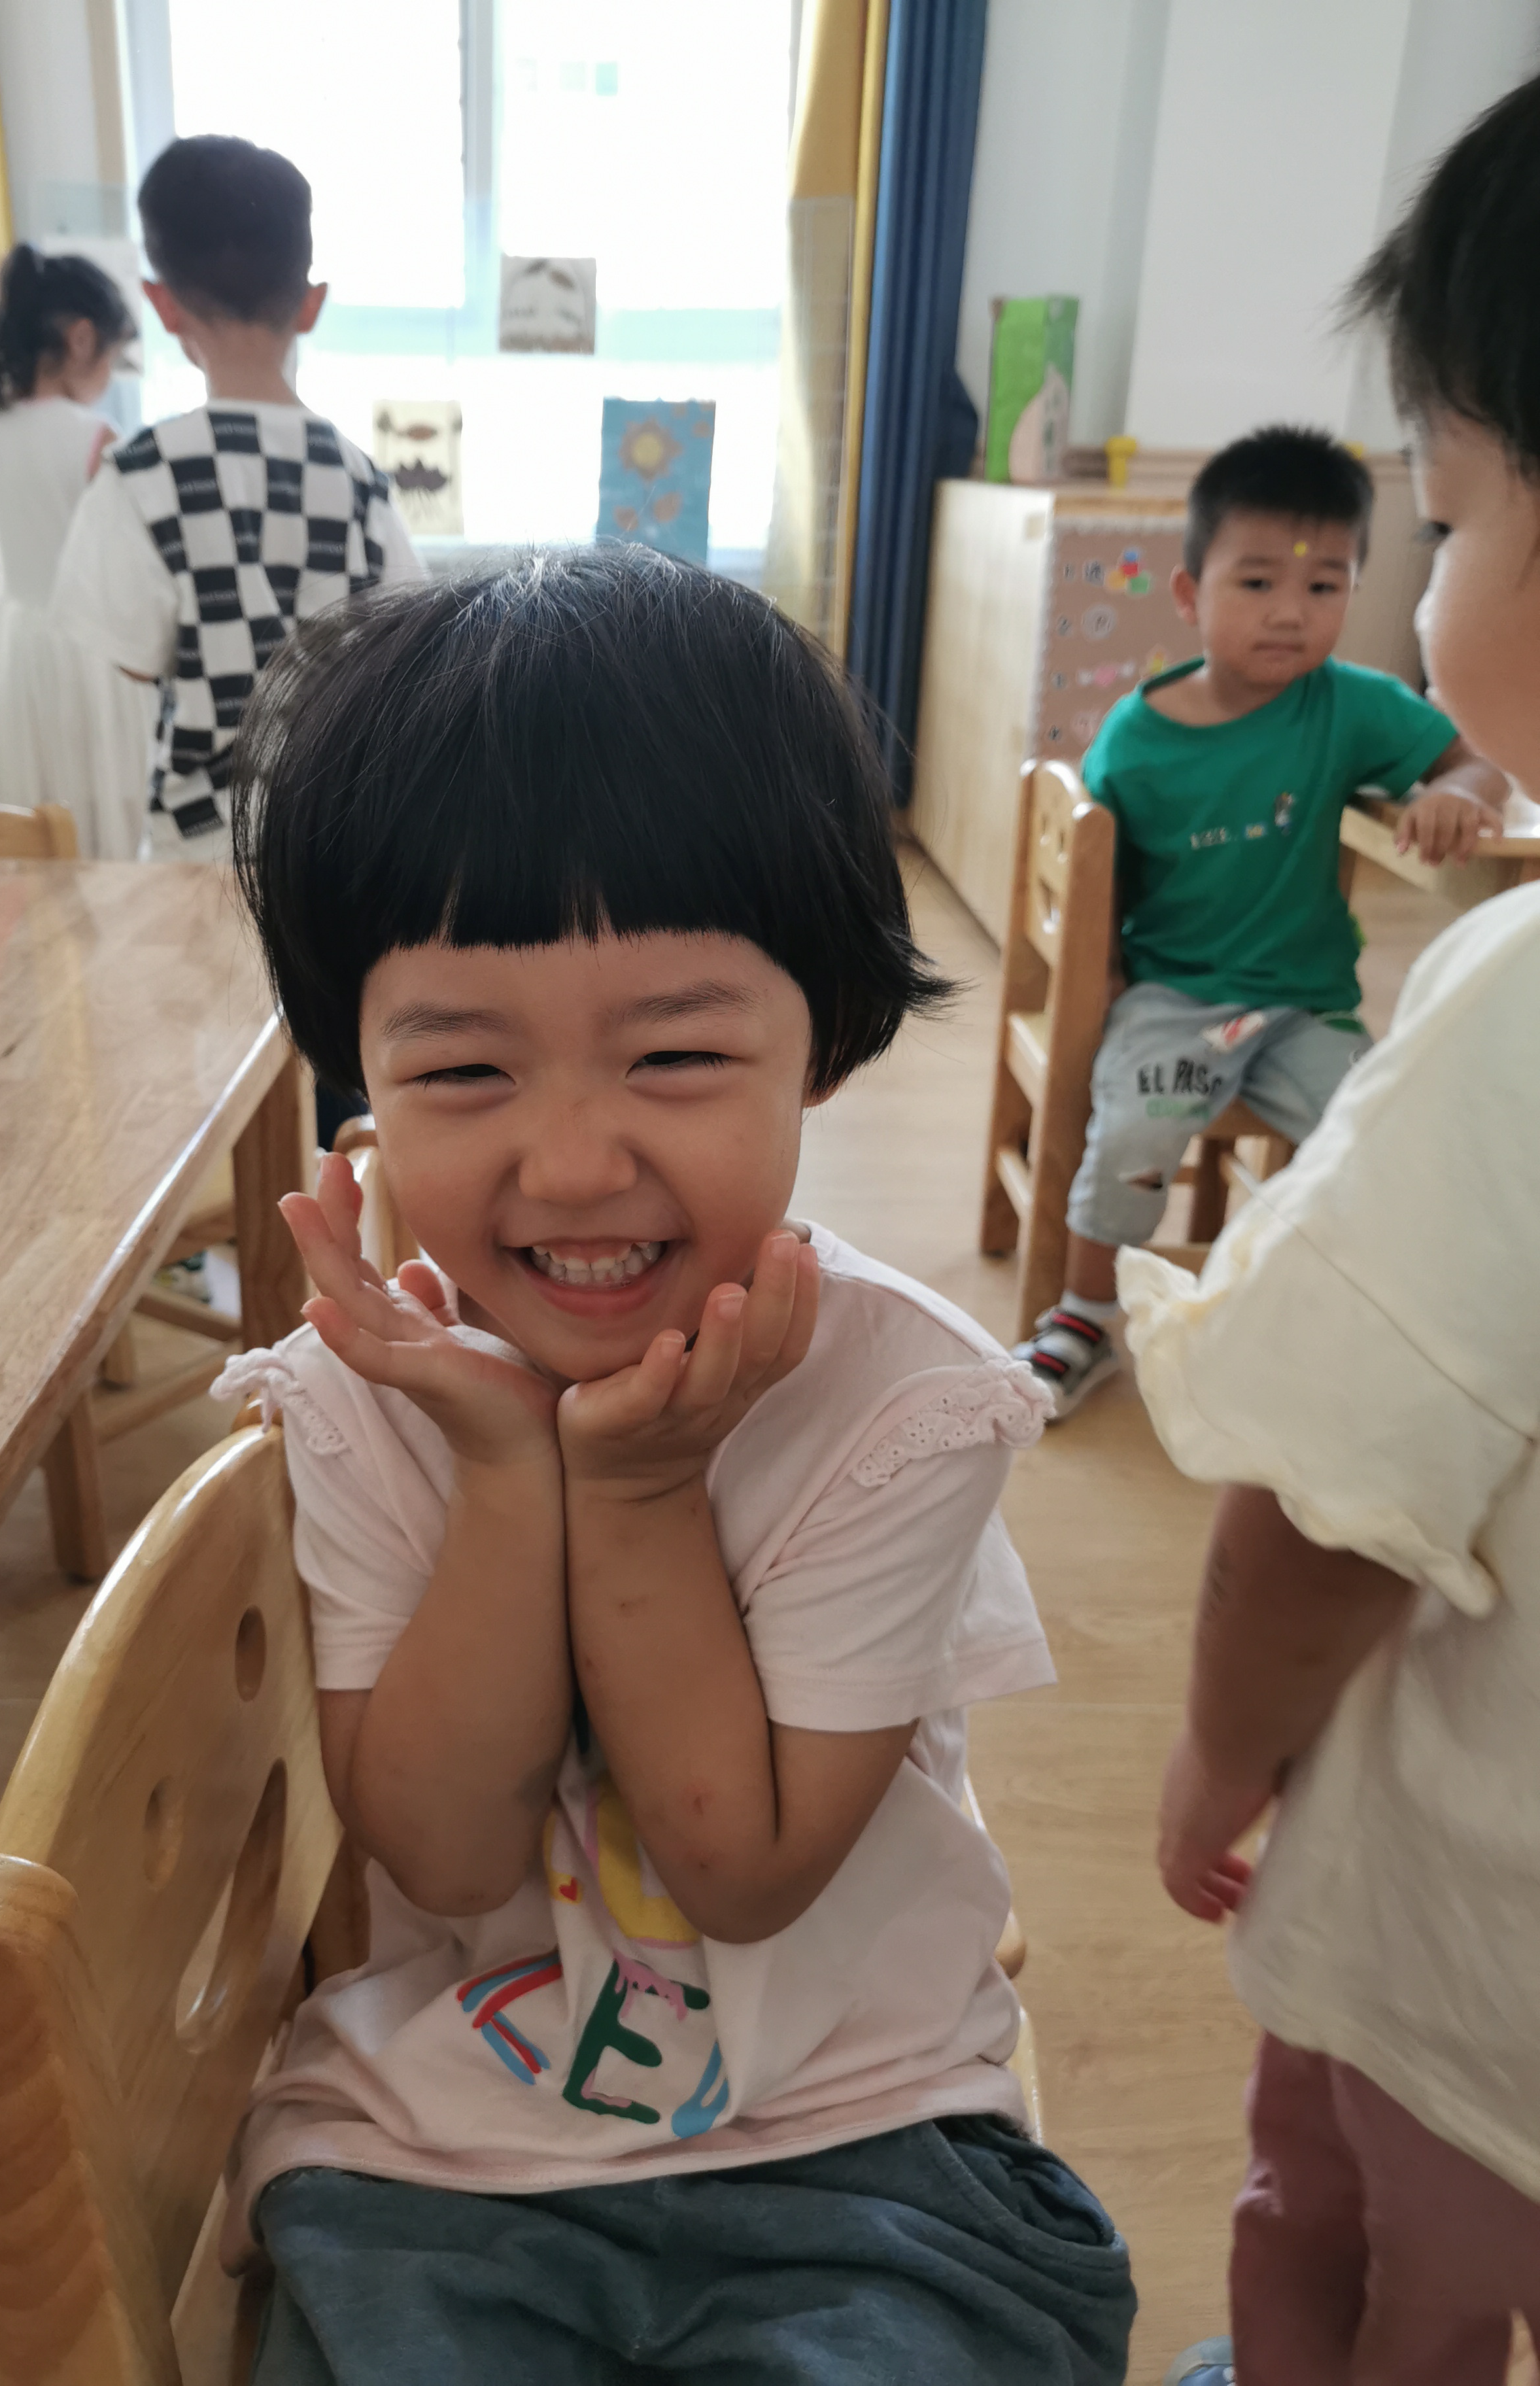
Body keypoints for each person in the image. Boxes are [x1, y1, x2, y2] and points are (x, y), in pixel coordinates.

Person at [209, 549, 1137, 2385]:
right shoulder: (360, 1400)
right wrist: (504, 1475)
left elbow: (742, 1866)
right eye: (461, 1074)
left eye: (680, 1053)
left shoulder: (901, 1402)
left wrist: (632, 1495)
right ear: (358, 1075)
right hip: (435, 2146)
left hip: (861, 2124)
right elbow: (444, 1848)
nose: (570, 1167)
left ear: (822, 1047)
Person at [1125, 75, 1540, 2386]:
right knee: (1140, 1104)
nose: (1387, 590)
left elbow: (1319, 1508)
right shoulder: (1148, 735)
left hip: (1466, 1974)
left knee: (1346, 2248)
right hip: (1190, 1022)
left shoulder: (1518, 1009)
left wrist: (1214, 1749)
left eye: (1445, 514)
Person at [1012, 424, 1507, 1418]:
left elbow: (1474, 758)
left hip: (1305, 1009)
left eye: (1325, 585)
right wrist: (1104, 991)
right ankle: (1085, 1315)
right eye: (1256, 583)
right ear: (1190, 593)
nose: (1290, 611)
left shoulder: (1351, 706)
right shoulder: (1137, 740)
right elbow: (1103, 891)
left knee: (1383, 1136)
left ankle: (1319, 1312)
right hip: (1174, 999)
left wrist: (1460, 793)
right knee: (1136, 1132)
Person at [52, 134, 423, 871]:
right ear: (311, 304)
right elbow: (401, 643)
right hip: (335, 838)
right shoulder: (357, 477)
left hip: (197, 843)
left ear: (162, 305)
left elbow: (132, 660)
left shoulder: (143, 474)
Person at [0, 243, 155, 856]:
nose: (108, 378)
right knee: (108, 806)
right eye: (112, 358)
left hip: (11, 639)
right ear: (82, 339)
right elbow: (122, 562)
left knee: (34, 810)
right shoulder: (97, 437)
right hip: (89, 641)